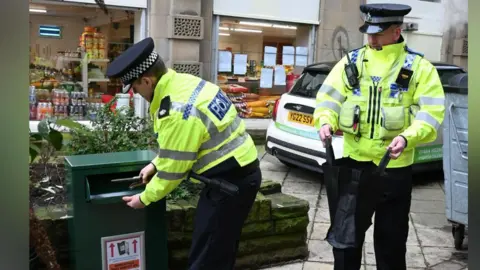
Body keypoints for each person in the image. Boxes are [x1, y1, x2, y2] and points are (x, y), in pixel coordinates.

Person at [105, 37, 262, 270]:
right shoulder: (183, 82)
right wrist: (155, 164)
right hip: (238, 174)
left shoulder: (175, 110)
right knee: (219, 250)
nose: (136, 94)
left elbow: (175, 169)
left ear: (147, 80)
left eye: (135, 88)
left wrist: (144, 199)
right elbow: (186, 144)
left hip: (229, 184)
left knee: (207, 258)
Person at [314, 3, 445, 270]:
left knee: (391, 243)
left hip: (394, 170)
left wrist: (408, 137)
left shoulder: (419, 68)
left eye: (377, 33)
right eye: (368, 32)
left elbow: (431, 113)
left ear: (396, 32)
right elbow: (328, 99)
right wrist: (325, 120)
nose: (370, 39)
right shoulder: (351, 62)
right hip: (353, 166)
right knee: (346, 239)